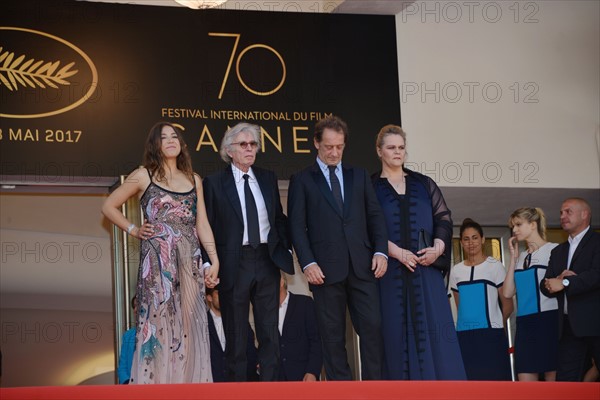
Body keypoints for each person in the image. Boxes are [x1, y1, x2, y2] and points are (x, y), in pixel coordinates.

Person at [101, 121, 219, 384]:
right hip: (157, 265)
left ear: (182, 144)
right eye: (163, 137)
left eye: (174, 136)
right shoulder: (144, 175)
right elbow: (108, 206)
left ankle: (188, 386)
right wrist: (133, 229)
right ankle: (156, 386)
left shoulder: (194, 179)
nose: (170, 140)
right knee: (158, 325)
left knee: (190, 325)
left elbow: (202, 224)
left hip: (190, 263)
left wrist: (214, 261)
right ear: (155, 144)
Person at [287, 115, 388, 380]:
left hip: (363, 266)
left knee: (372, 329)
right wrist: (307, 262)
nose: (334, 152)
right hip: (324, 271)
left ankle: (374, 391)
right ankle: (342, 392)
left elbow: (375, 216)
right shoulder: (302, 179)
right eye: (329, 146)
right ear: (316, 144)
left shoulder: (360, 175)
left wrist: (380, 251)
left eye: (339, 147)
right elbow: (297, 226)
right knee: (332, 337)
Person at [371, 125, 465, 380]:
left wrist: (438, 248)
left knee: (436, 334)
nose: (397, 152)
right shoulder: (369, 187)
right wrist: (396, 253)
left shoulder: (424, 183)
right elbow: (364, 229)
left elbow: (444, 219)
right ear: (379, 151)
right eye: (391, 148)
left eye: (401, 148)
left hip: (427, 273)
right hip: (389, 276)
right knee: (394, 336)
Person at [203, 122, 294, 382]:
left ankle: (270, 391)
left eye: (253, 144)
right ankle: (238, 392)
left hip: (266, 259)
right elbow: (205, 225)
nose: (250, 149)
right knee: (237, 336)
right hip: (234, 263)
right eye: (243, 145)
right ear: (229, 150)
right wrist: (209, 265)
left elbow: (278, 217)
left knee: (269, 333)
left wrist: (283, 247)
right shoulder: (214, 182)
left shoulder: (267, 177)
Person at [541, 197, 600, 381]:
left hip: (596, 323)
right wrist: (555, 281)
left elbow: (596, 275)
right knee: (567, 381)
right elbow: (545, 284)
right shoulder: (558, 251)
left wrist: (565, 283)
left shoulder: (597, 242)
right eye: (561, 212)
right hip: (568, 326)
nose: (562, 216)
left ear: (585, 215)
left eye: (568, 211)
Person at [450, 218, 513, 381]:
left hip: (491, 336)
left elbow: (508, 305)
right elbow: (460, 307)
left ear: (483, 239)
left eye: (475, 237)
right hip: (464, 337)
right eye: (466, 239)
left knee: (496, 385)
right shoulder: (456, 271)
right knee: (468, 385)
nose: (471, 242)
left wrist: (496, 324)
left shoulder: (495, 266)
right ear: (461, 242)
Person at [501, 207, 559, 381]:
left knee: (554, 387)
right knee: (526, 386)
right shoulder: (521, 257)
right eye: (513, 226)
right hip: (525, 325)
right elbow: (508, 292)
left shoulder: (554, 250)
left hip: (550, 321)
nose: (514, 230)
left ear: (533, 225)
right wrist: (513, 259)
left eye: (518, 224)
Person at [206, 287, 259, 382]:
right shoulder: (201, 323)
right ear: (209, 297)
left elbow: (250, 353)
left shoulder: (240, 321)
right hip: (210, 387)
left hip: (238, 387)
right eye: (218, 293)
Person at [278, 274, 323, 381]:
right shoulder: (264, 311)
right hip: (275, 381)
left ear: (281, 282)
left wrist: (312, 371)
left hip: (303, 377)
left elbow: (316, 340)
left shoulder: (304, 303)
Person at [117, 296, 137, 384]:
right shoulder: (128, 335)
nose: (135, 310)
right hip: (132, 387)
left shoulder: (159, 333)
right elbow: (122, 366)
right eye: (134, 306)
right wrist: (127, 383)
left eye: (138, 305)